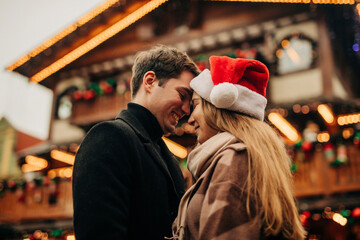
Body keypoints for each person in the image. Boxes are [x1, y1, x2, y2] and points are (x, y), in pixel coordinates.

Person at [72, 45, 200, 240]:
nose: (186, 110)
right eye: (182, 95)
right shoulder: (109, 137)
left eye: (190, 103)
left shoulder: (168, 157)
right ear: (150, 81)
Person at [171, 56, 307, 240]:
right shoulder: (244, 156)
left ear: (218, 107)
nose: (190, 119)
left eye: (195, 105)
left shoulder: (234, 159)